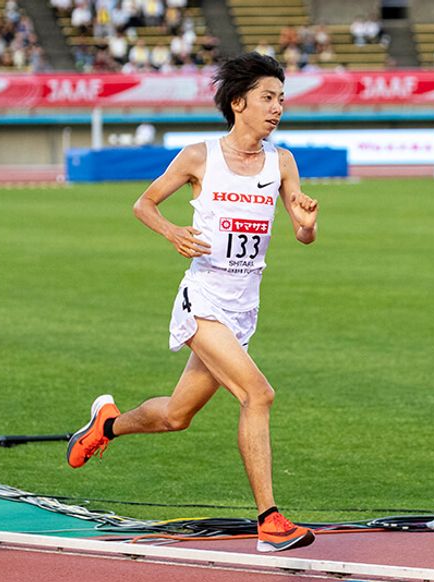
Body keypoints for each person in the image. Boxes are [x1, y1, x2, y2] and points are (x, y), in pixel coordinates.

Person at [66, 52, 319, 554]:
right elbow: (143, 203)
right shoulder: (199, 156)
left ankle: (107, 424)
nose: (277, 109)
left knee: (177, 416)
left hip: (244, 307)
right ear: (238, 102)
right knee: (258, 395)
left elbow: (303, 232)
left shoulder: (282, 162)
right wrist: (171, 232)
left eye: (282, 100)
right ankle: (269, 521)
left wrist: (308, 224)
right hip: (202, 301)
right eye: (268, 98)